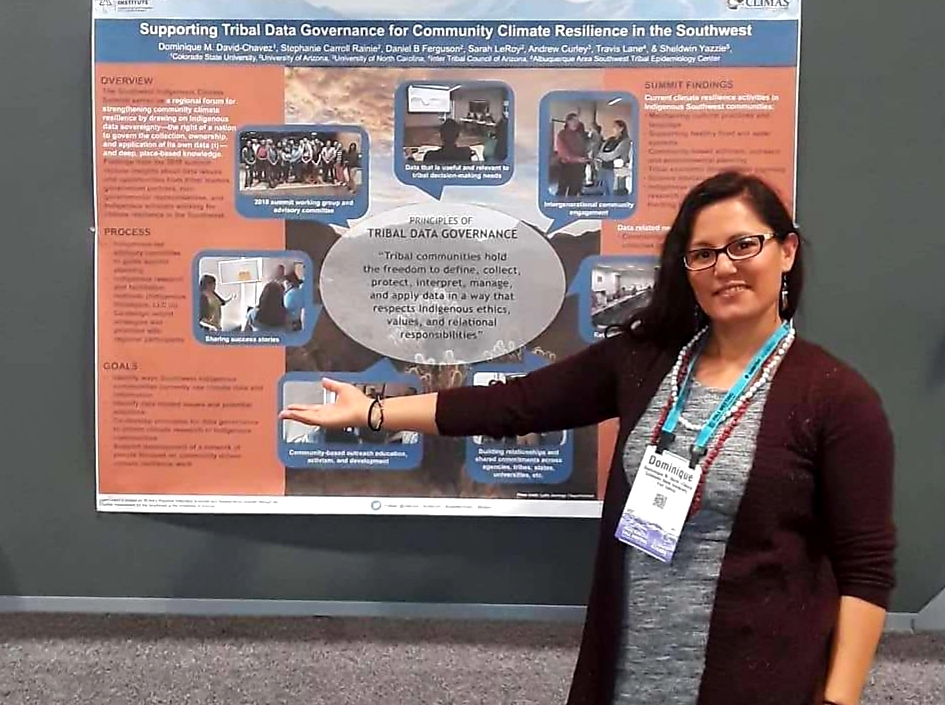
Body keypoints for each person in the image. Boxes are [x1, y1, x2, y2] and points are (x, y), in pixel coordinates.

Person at [278, 170, 895, 705]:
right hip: (626, 675)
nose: (724, 267)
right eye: (703, 254)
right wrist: (377, 412)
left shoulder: (835, 398)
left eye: (743, 245)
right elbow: (512, 405)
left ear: (786, 252)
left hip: (761, 682)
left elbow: (865, 570)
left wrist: (838, 698)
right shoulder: (646, 361)